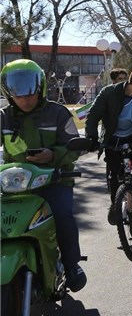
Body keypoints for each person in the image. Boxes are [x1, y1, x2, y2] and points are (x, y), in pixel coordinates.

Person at [1, 59, 88, 292]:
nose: (24, 99)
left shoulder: (58, 113)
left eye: (29, 94)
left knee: (62, 216)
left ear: (40, 88)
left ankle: (71, 265)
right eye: (18, 95)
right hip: (13, 184)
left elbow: (75, 146)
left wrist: (52, 155)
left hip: (55, 179)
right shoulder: (3, 117)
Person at [84, 64, 132, 225]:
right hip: (113, 140)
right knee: (114, 175)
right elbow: (93, 115)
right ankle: (115, 204)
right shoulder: (109, 93)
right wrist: (92, 138)